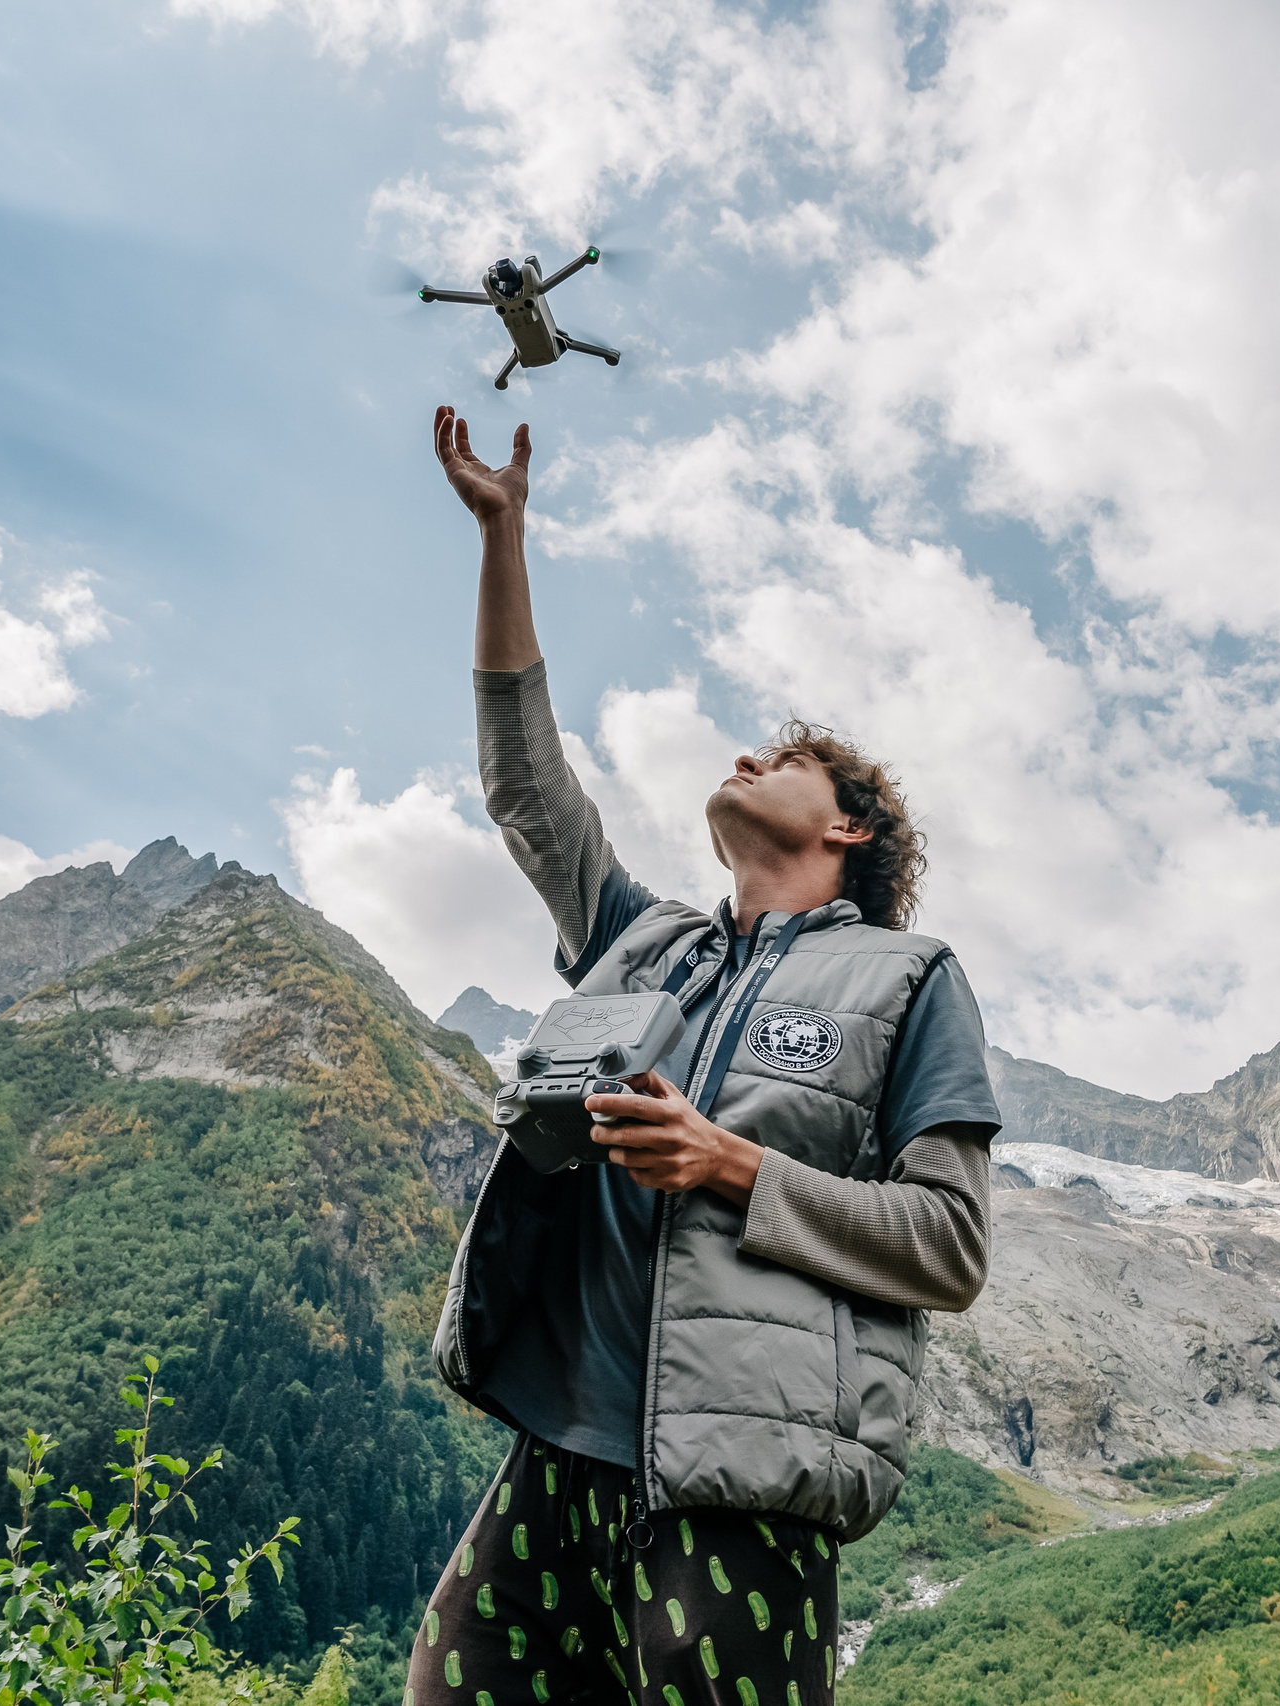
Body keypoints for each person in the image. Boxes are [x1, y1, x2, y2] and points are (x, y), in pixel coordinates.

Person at [413, 407, 1004, 1706]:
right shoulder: (645, 940)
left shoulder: (910, 981)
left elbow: (950, 1246)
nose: (746, 757)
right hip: (555, 1457)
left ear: (848, 827)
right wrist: (503, 537)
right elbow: (527, 791)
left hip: (737, 1483)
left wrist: (729, 1164)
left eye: (783, 761)